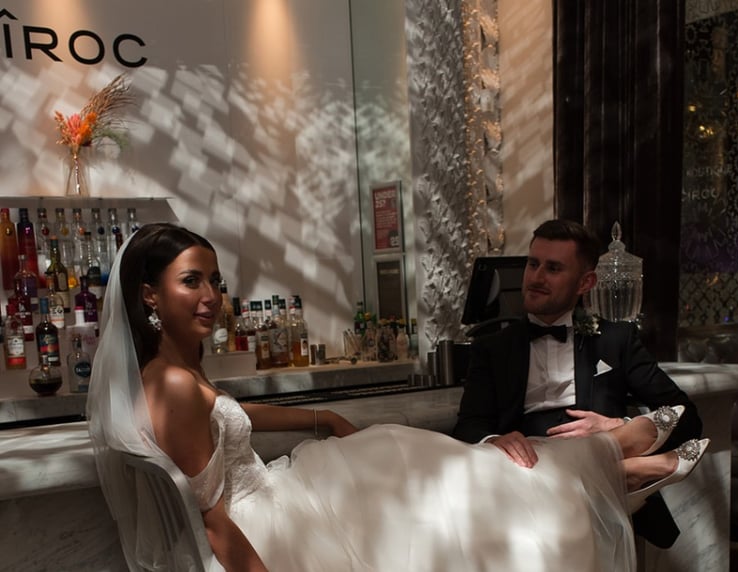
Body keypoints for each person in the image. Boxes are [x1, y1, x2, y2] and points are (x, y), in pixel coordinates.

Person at [87, 223, 706, 572]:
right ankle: (616, 461)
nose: (210, 297)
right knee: (433, 478)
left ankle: (613, 457)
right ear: (149, 294)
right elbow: (212, 518)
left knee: (423, 466)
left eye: (215, 281)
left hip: (277, 495)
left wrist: (322, 416)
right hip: (265, 523)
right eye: (191, 281)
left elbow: (230, 414)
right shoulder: (172, 382)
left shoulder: (173, 370)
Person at [452, 218, 704, 548]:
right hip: (524, 485)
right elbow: (468, 426)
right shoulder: (493, 347)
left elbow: (688, 418)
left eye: (553, 268)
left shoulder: (616, 339)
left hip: (598, 508)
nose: (536, 278)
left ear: (585, 282)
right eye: (533, 264)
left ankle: (615, 455)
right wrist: (495, 439)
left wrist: (619, 426)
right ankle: (624, 471)